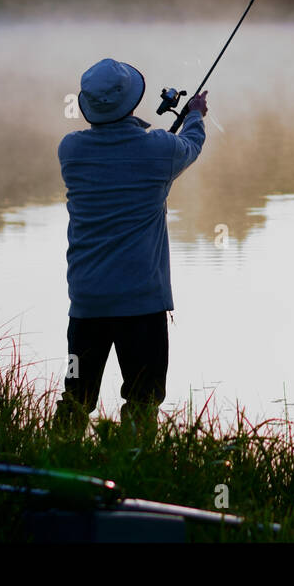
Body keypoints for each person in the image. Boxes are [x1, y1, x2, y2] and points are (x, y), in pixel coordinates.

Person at [53, 57, 207, 431]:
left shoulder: (71, 150)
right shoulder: (159, 149)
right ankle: (135, 468)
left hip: (87, 301)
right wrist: (195, 114)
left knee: (76, 396)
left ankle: (55, 455)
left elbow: (128, 154)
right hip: (142, 304)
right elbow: (191, 143)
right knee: (143, 399)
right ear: (132, 102)